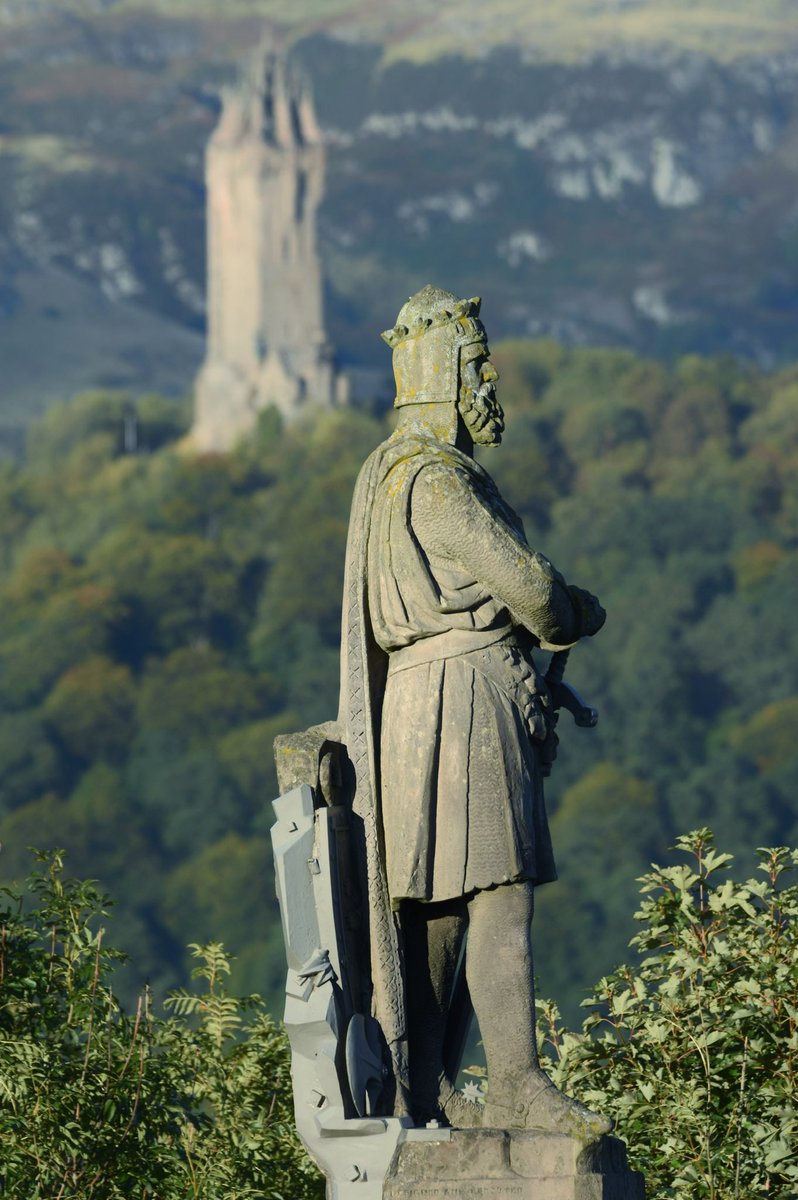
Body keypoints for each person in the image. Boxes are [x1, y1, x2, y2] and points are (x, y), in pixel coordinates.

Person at [338, 284, 610, 1138]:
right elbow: (533, 591)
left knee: (440, 905)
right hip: (463, 704)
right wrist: (574, 607)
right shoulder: (437, 483)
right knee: (498, 893)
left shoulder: (389, 478)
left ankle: (425, 1084)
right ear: (450, 374)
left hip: (421, 710)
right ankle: (518, 1083)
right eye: (481, 366)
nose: (491, 385)